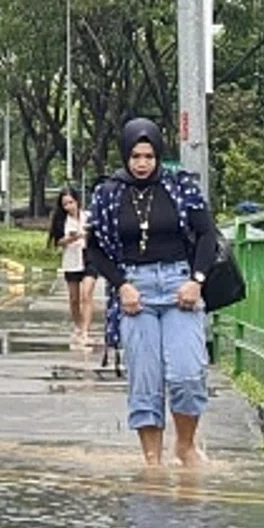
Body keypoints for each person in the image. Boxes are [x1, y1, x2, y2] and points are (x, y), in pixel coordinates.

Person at [85, 118, 219, 468]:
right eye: (135, 156)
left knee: (187, 373)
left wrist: (197, 280)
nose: (142, 163)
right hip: (135, 293)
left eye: (148, 155)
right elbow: (95, 248)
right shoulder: (109, 192)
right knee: (145, 379)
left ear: (158, 154)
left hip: (179, 288)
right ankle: (152, 461)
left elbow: (207, 236)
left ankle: (185, 446)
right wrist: (121, 286)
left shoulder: (180, 186)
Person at [48, 187, 94, 349]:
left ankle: (86, 332)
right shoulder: (62, 220)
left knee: (86, 295)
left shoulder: (88, 217)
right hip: (71, 259)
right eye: (65, 204)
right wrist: (69, 239)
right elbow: (58, 242)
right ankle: (79, 326)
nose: (69, 206)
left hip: (89, 257)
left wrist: (87, 235)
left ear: (77, 201)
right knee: (74, 298)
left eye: (71, 202)